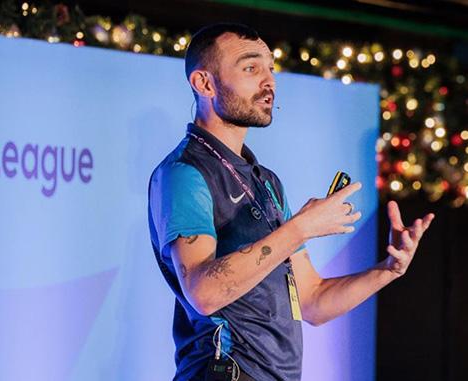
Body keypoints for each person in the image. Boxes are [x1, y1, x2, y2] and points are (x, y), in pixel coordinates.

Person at [147, 23, 434, 381]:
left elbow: (312, 301)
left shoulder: (266, 182)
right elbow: (204, 292)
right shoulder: (185, 172)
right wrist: (300, 228)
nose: (269, 81)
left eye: (270, 67)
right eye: (251, 68)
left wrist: (387, 270)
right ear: (204, 84)